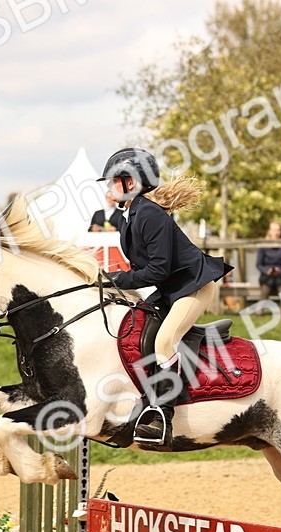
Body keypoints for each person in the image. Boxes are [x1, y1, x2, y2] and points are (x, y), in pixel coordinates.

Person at [99, 146, 233, 445]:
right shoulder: (128, 216)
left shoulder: (149, 214)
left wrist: (117, 279)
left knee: (164, 341)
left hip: (193, 286)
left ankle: (162, 413)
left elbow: (157, 270)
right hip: (172, 287)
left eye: (112, 181)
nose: (108, 187)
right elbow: (144, 268)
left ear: (130, 182)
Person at [256, 221, 281, 304]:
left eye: (278, 230)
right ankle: (260, 308)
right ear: (270, 231)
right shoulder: (263, 246)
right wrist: (267, 271)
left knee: (280, 282)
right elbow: (259, 264)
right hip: (267, 276)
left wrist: (280, 270)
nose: (276, 233)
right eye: (274, 230)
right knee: (269, 281)